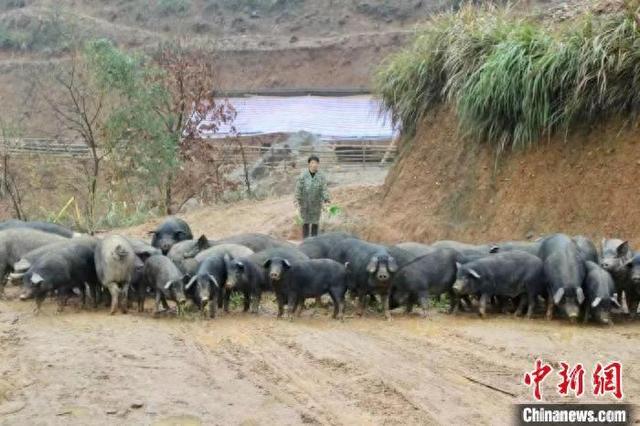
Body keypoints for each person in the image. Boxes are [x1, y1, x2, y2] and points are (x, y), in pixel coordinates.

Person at [295, 155, 330, 238]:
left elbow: (324, 189)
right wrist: (296, 200)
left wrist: (326, 200)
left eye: (316, 163)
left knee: (315, 223)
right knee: (305, 223)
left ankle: (314, 242)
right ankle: (305, 241)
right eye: (313, 162)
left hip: (316, 204)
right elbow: (298, 188)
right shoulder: (303, 176)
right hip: (304, 204)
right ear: (309, 164)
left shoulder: (321, 176)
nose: (315, 165)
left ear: (318, 164)